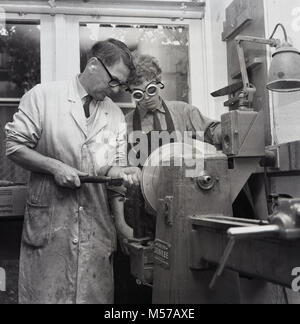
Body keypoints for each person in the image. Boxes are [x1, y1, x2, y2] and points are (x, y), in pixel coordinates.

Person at [5, 38, 140, 304]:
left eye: (121, 86)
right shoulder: (44, 96)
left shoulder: (113, 114)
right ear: (93, 65)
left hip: (96, 229)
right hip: (52, 225)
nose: (115, 91)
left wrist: (121, 175)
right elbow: (14, 146)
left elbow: (108, 167)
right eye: (113, 81)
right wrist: (55, 167)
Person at [113, 54, 223, 304]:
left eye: (151, 89)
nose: (146, 97)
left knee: (184, 283)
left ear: (159, 83)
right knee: (141, 288)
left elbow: (212, 134)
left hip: (183, 211)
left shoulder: (183, 112)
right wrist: (121, 225)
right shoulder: (125, 125)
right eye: (138, 94)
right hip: (140, 218)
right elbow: (117, 179)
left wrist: (226, 129)